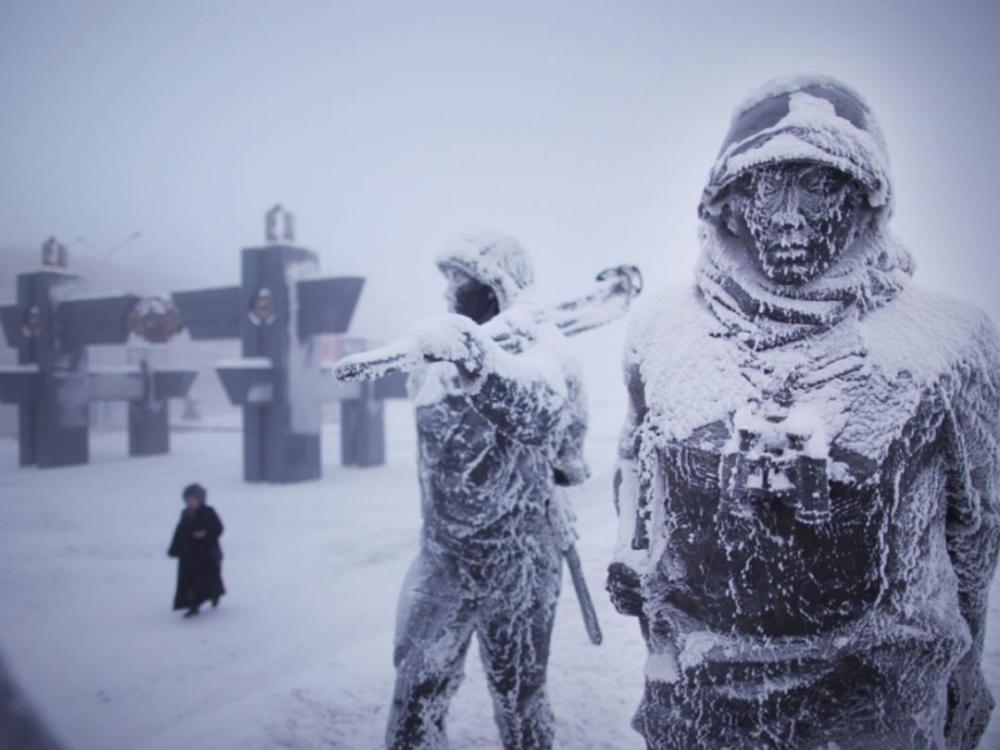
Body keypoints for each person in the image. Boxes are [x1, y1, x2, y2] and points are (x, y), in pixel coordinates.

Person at [607, 76, 1000, 749]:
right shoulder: (660, 330)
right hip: (700, 706)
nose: (787, 215)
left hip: (878, 708)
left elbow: (976, 531)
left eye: (818, 185)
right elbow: (638, 484)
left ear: (862, 198)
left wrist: (964, 663)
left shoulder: (948, 343)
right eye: (766, 184)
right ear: (728, 203)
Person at [385, 231, 589, 750]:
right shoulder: (429, 364)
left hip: (519, 564)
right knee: (414, 701)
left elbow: (564, 450)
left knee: (521, 704)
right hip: (442, 557)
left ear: (503, 286)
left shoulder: (550, 357)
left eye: (472, 284)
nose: (460, 294)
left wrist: (495, 362)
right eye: (454, 285)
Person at [168, 483, 225, 618]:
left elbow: (218, 528)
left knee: (208, 579)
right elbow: (179, 532)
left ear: (200, 499)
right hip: (188, 555)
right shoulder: (185, 514)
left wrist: (205, 534)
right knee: (189, 582)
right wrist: (174, 548)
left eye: (193, 500)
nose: (190, 503)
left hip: (207, 554)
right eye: (188, 500)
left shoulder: (208, 512)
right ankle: (192, 606)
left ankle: (214, 595)